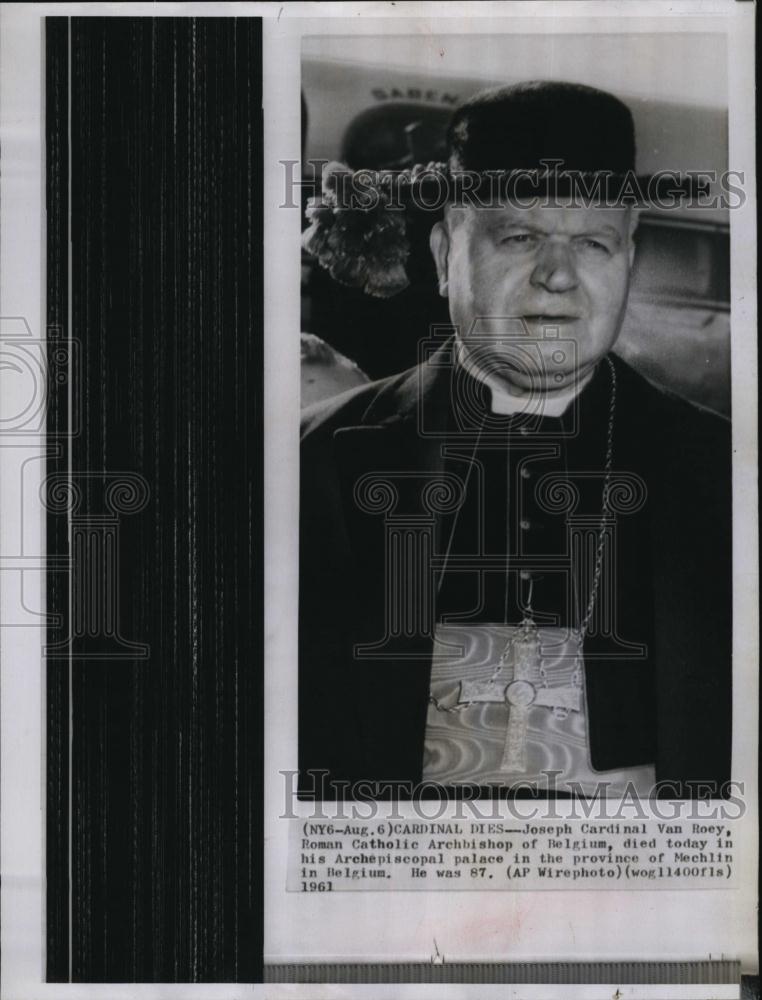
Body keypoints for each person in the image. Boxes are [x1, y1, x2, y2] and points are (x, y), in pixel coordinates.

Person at [298, 82, 731, 800]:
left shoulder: (724, 474)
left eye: (593, 242)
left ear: (630, 254)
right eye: (520, 237)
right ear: (444, 254)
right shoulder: (308, 462)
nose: (559, 276)